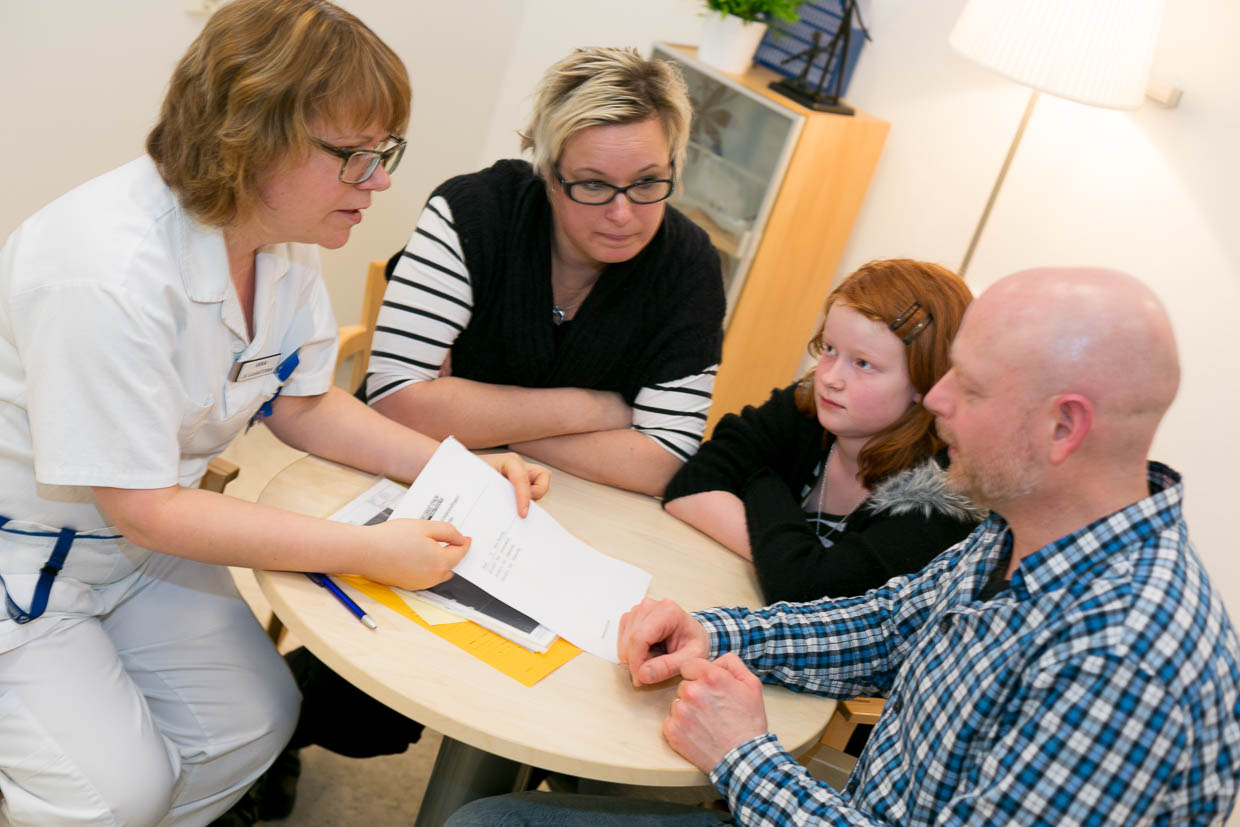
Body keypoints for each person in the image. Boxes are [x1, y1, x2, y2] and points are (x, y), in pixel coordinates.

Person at [0, 2, 547, 825]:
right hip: (24, 560)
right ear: (252, 138)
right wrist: (369, 552)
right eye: (356, 156)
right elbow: (145, 507)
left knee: (257, 718)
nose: (380, 182)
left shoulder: (272, 240)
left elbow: (304, 403)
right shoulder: (103, 273)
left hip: (134, 550)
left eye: (385, 152)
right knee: (114, 793)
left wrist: (457, 468)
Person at [446, 267, 1240, 826]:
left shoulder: (1123, 657)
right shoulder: (1024, 529)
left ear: (1063, 426)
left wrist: (744, 755)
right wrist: (715, 632)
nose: (935, 399)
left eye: (969, 386)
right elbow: (884, 624)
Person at [363, 46, 726, 498]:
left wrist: (479, 421)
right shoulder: (474, 213)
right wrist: (595, 409)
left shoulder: (688, 265)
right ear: (549, 175)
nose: (622, 213)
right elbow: (394, 404)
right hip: (399, 478)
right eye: (593, 183)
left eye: (647, 182)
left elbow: (666, 462)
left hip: (571, 506)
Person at [664, 259, 982, 605]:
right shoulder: (807, 406)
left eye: (863, 364)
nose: (829, 378)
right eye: (829, 349)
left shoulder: (943, 491)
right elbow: (689, 486)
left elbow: (813, 593)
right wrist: (787, 563)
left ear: (926, 382)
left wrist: (761, 483)